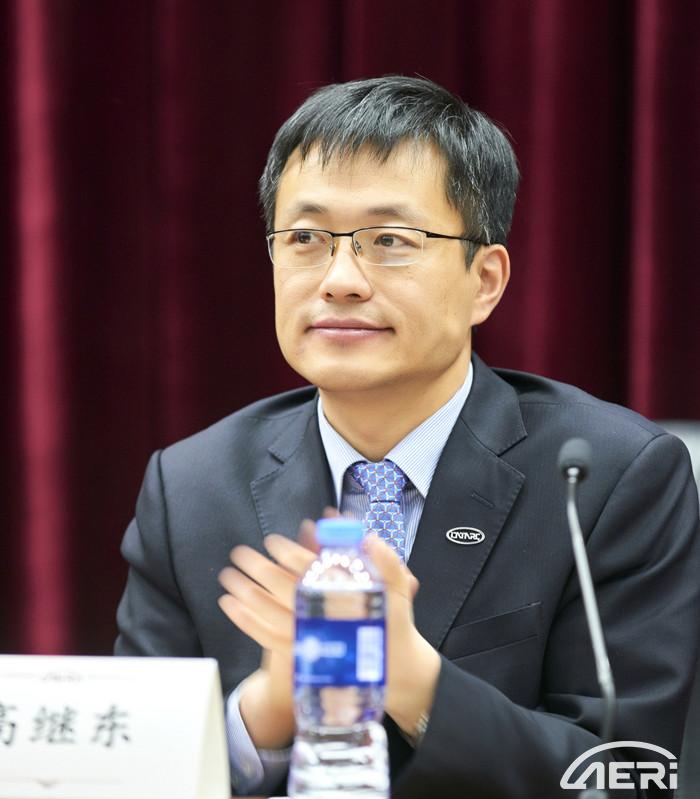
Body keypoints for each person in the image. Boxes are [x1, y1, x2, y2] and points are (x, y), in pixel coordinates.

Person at [115, 76, 700, 797]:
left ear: (484, 280)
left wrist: (411, 676)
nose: (340, 279)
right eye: (305, 239)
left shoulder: (610, 477)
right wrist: (262, 716)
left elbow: (627, 774)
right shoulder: (190, 487)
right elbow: (133, 766)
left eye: (389, 240)